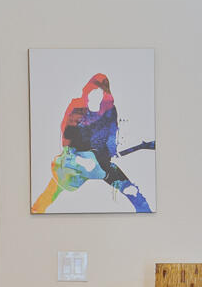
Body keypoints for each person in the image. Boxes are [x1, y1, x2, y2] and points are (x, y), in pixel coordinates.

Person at [31, 72, 153, 212]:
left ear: (104, 97)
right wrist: (72, 155)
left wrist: (112, 151)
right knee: (49, 195)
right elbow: (66, 135)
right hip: (75, 160)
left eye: (99, 95)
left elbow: (111, 140)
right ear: (87, 94)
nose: (93, 99)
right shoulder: (76, 106)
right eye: (91, 94)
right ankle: (36, 211)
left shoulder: (110, 111)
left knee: (133, 192)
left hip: (100, 162)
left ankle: (146, 213)